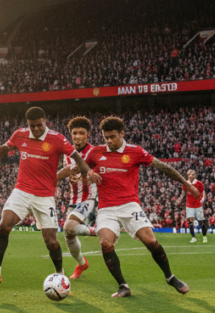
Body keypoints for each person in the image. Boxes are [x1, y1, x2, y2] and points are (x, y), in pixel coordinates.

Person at [0, 106, 98, 284]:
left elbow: (77, 157)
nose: (35, 129)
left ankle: (60, 274)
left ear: (45, 122)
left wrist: (86, 174)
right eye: (32, 125)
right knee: (4, 225)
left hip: (44, 196)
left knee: (51, 241)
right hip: (21, 191)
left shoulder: (57, 138)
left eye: (39, 125)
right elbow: (3, 149)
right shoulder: (20, 134)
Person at [83, 117, 198, 298]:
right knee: (105, 242)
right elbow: (81, 169)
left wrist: (186, 184)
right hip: (106, 207)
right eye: (106, 137)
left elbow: (162, 166)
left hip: (129, 204)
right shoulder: (95, 152)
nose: (109, 141)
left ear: (122, 133)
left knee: (150, 240)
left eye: (113, 137)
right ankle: (123, 286)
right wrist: (87, 173)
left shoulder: (135, 151)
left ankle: (170, 277)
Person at [55, 116, 98, 280]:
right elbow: (67, 171)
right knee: (68, 233)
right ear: (71, 135)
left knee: (69, 226)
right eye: (75, 133)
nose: (78, 136)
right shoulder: (67, 154)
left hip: (90, 198)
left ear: (87, 135)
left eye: (82, 133)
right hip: (74, 200)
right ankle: (81, 263)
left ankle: (98, 231)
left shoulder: (94, 152)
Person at [176, 168, 208, 244]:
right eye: (189, 175)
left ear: (194, 176)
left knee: (201, 222)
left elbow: (203, 193)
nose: (190, 177)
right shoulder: (185, 184)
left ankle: (204, 236)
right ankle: (193, 237)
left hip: (198, 205)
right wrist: (179, 199)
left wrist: (202, 201)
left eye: (192, 175)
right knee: (190, 221)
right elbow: (183, 193)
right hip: (189, 205)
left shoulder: (199, 184)